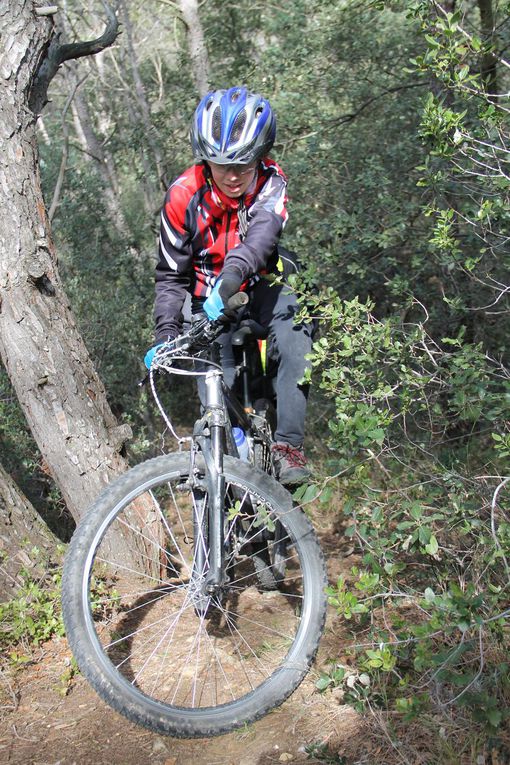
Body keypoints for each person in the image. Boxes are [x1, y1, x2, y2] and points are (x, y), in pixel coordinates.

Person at [145, 86, 312, 484]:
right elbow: (170, 276)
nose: (233, 175)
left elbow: (262, 237)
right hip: (206, 297)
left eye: (245, 163)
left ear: (261, 157)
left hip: (262, 282)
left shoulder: (271, 180)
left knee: (296, 337)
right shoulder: (182, 195)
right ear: (205, 159)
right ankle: (228, 460)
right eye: (222, 165)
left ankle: (288, 446)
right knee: (215, 384)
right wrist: (167, 330)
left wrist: (232, 276)